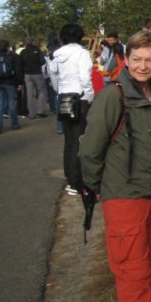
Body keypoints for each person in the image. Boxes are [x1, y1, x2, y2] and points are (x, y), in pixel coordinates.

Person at [80, 30, 151, 302]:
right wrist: (99, 186)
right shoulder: (113, 96)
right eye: (137, 59)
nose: (143, 66)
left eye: (149, 60)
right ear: (126, 60)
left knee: (150, 267)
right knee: (133, 273)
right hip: (125, 197)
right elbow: (90, 150)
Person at [49, 24, 95, 195]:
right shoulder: (82, 53)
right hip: (79, 98)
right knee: (79, 140)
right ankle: (76, 182)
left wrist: (59, 90)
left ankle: (70, 176)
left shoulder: (57, 55)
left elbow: (53, 74)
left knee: (69, 140)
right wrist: (90, 96)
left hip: (63, 97)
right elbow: (85, 77)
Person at [0, 39, 22, 133]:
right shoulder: (11, 57)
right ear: (7, 47)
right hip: (10, 82)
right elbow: (17, 71)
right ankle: (14, 124)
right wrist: (18, 83)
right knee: (11, 104)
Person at [20, 37, 49, 119]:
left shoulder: (23, 52)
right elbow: (43, 61)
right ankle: (41, 111)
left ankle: (31, 113)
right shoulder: (37, 50)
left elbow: (21, 63)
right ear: (33, 42)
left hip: (27, 74)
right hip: (37, 73)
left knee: (29, 94)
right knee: (42, 91)